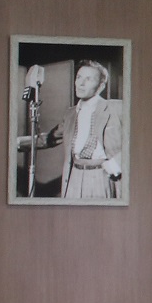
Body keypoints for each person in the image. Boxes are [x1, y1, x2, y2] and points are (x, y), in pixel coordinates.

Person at [59, 57, 127, 201]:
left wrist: (117, 162)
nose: (81, 83)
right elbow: (49, 138)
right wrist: (17, 142)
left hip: (101, 177)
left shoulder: (116, 108)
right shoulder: (70, 114)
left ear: (101, 86)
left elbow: (144, 136)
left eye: (88, 79)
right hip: (74, 178)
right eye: (79, 77)